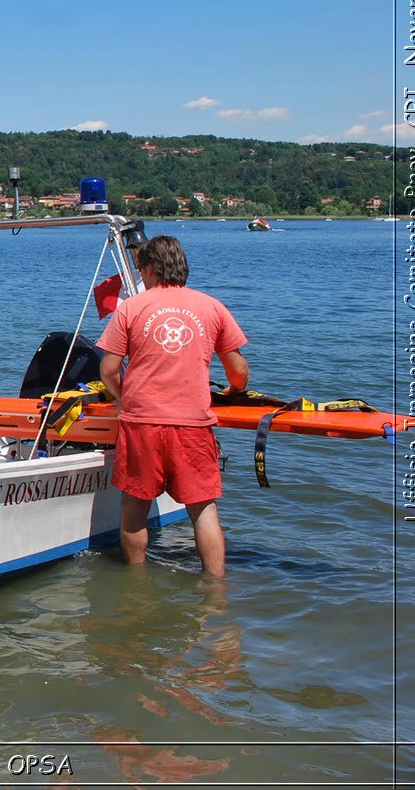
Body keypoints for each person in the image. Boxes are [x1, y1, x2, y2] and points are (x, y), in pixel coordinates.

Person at [97, 235, 249, 577]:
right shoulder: (212, 306)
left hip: (142, 423)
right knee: (203, 509)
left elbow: (107, 370)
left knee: (134, 510)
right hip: (193, 424)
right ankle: (215, 588)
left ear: (150, 270)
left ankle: (136, 585)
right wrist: (235, 391)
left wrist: (123, 400)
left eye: (141, 272)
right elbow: (238, 370)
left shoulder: (131, 309)